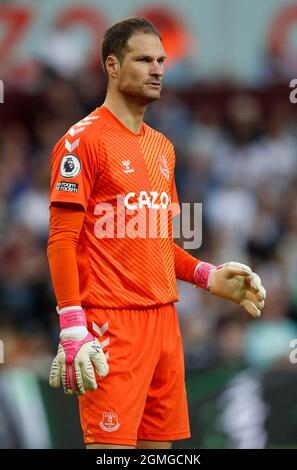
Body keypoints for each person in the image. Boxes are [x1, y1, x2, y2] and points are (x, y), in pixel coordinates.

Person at [47, 17, 266, 450]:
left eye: (161, 60)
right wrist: (72, 324)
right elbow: (61, 240)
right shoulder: (82, 142)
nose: (157, 69)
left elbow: (157, 242)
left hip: (165, 323)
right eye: (143, 59)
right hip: (111, 324)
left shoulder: (162, 147)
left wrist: (207, 275)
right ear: (112, 66)